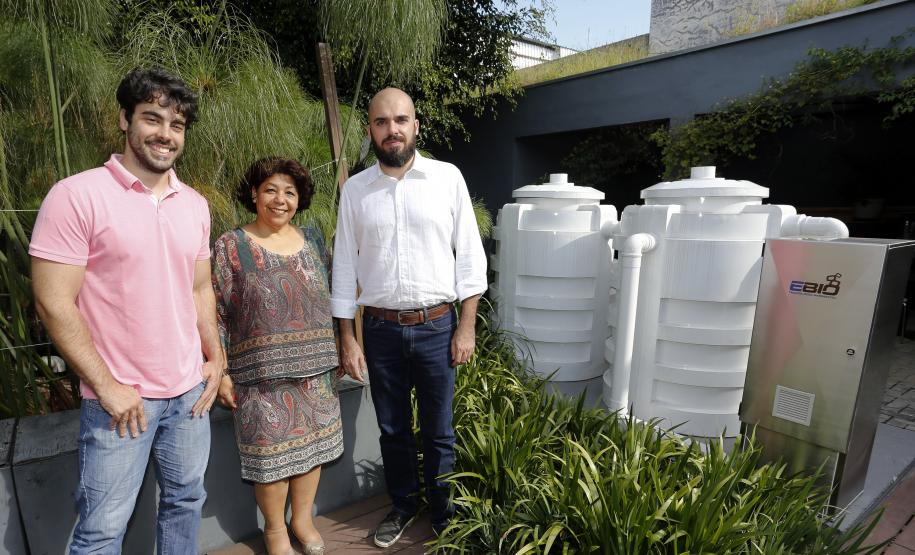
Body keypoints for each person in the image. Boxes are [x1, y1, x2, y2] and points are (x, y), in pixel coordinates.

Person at [29, 67, 222, 553]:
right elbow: (53, 303)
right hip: (120, 402)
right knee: (101, 532)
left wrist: (215, 360)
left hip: (188, 395)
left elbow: (200, 289)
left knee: (185, 502)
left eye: (176, 125)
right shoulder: (76, 196)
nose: (165, 134)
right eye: (152, 119)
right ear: (124, 120)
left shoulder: (194, 204)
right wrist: (108, 386)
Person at [331, 87, 487, 548]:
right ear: (370, 131)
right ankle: (403, 506)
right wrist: (348, 338)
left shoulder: (447, 179)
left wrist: (467, 325)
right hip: (379, 332)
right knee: (393, 430)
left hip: (439, 327)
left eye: (401, 120)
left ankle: (445, 515)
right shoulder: (356, 191)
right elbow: (344, 267)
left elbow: (470, 259)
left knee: (439, 431)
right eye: (382, 122)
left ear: (416, 126)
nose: (392, 129)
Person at [212, 157, 343, 555]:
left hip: (317, 371)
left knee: (312, 449)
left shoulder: (316, 239)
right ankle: (274, 531)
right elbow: (213, 310)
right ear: (254, 193)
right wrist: (220, 371)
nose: (280, 200)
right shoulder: (230, 246)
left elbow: (333, 296)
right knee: (271, 458)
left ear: (299, 199)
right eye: (270, 189)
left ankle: (301, 520)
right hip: (260, 376)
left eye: (290, 192)